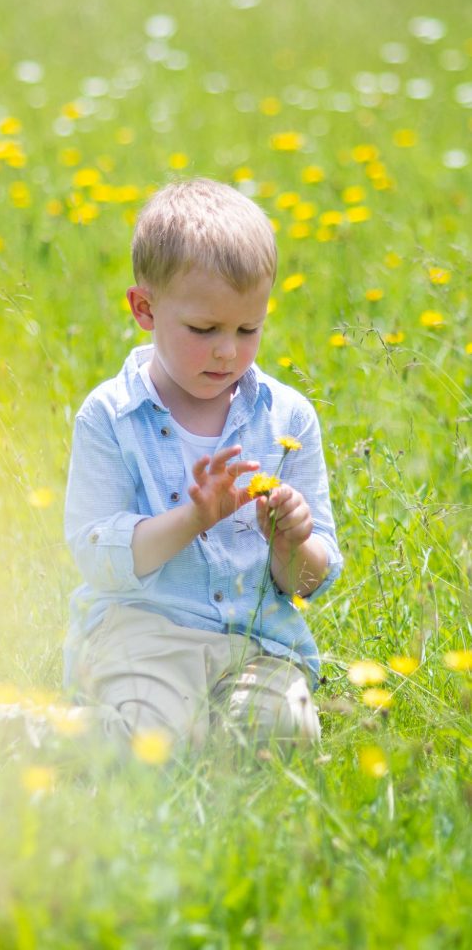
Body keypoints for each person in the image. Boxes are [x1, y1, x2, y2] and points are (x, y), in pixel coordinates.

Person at [63, 177, 342, 755]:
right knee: (154, 743)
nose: (228, 352)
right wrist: (194, 516)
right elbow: (97, 554)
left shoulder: (288, 417)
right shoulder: (111, 416)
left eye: (248, 330)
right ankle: (36, 734)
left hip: (258, 643)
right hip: (144, 633)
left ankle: (221, 732)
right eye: (204, 329)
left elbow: (309, 582)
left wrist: (291, 541)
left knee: (282, 736)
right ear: (145, 308)